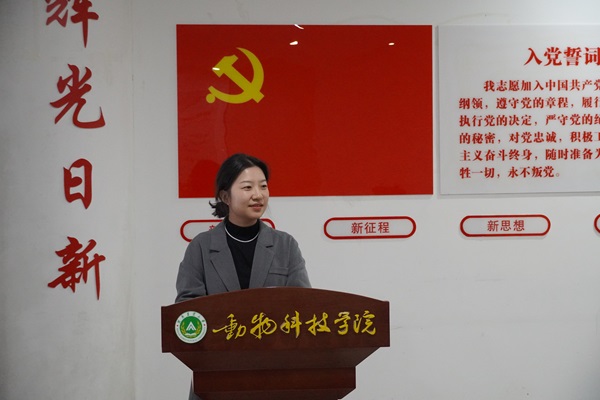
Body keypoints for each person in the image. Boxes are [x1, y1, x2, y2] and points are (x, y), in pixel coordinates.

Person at [175, 153, 311, 400]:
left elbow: (303, 308)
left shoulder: (285, 245)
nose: (258, 195)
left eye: (263, 186)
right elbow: (186, 311)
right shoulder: (201, 247)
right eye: (247, 187)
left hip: (275, 376)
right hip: (216, 376)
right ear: (225, 196)